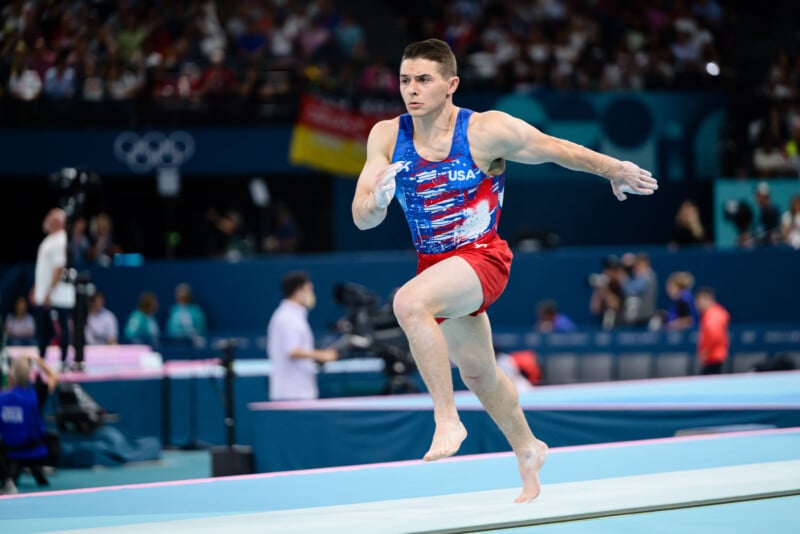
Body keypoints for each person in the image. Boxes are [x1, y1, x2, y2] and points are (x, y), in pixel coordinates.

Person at [351, 38, 658, 503]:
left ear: (451, 84)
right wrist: (375, 202)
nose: (411, 90)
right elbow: (362, 217)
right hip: (436, 267)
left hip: (482, 260)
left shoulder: (484, 131)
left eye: (423, 80)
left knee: (408, 301)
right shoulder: (386, 135)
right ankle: (528, 447)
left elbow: (552, 148)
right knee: (480, 372)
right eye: (405, 80)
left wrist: (612, 168)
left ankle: (446, 417)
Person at [266, 271, 339, 401]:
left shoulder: (292, 315)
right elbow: (292, 350)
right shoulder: (288, 318)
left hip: (296, 391)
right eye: (309, 289)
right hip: (293, 393)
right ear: (298, 292)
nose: (312, 294)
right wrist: (324, 355)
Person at [0, 355, 57, 489]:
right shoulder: (37, 394)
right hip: (35, 446)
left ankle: (6, 480)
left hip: (9, 449)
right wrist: (39, 361)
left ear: (10, 377)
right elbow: (53, 376)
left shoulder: (2, 397)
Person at [32, 208, 75, 371]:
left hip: (58, 296)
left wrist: (49, 292)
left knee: (61, 329)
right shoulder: (49, 240)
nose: (47, 220)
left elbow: (58, 267)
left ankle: (64, 361)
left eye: (52, 218)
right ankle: (42, 359)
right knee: (43, 330)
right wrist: (37, 289)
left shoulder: (60, 240)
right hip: (45, 294)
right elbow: (44, 269)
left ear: (58, 222)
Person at [694, 287, 730, 375]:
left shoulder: (712, 315)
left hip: (714, 359)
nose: (697, 305)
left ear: (707, 299)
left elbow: (714, 334)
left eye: (699, 301)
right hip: (714, 358)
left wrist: (706, 351)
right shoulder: (714, 313)